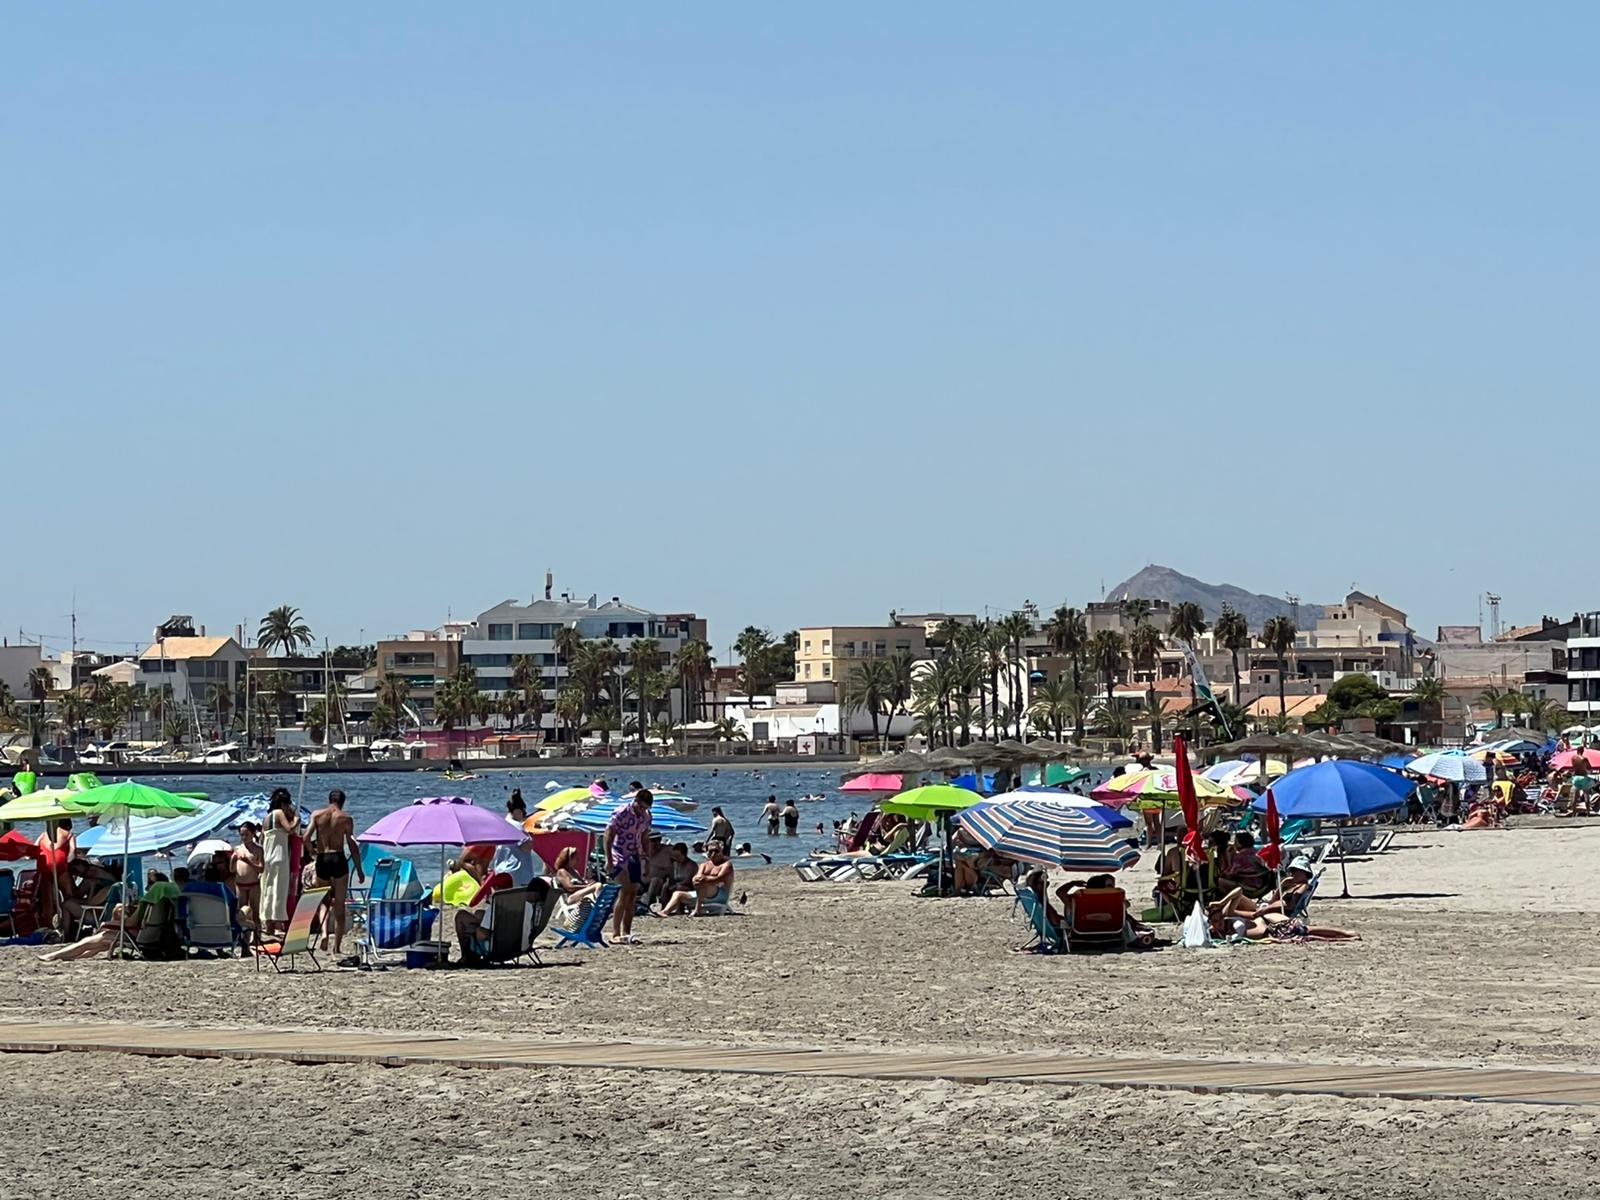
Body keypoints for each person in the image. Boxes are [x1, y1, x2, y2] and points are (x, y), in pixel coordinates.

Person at [304, 788, 365, 954]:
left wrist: (312, 852)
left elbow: (306, 837)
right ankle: (336, 947)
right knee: (339, 905)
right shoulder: (346, 818)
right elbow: (352, 845)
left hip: (323, 859)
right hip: (338, 859)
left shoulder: (317, 815)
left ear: (329, 800)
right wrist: (359, 870)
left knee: (323, 900)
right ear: (343, 802)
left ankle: (324, 934)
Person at [604, 786, 652, 944]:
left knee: (632, 894)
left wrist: (647, 857)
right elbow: (608, 835)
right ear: (636, 802)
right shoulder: (621, 812)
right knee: (623, 891)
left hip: (635, 855)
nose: (643, 810)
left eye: (646, 808)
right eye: (642, 807)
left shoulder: (646, 816)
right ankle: (615, 933)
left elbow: (645, 836)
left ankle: (627, 931)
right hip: (619, 853)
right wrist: (609, 860)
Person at [260, 789, 299, 938]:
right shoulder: (279, 814)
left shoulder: (266, 818)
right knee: (279, 889)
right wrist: (296, 819)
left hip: (267, 856)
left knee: (268, 890)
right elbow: (289, 829)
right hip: (279, 855)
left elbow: (262, 840)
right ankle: (277, 923)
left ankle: (268, 923)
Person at [658, 841, 734, 916]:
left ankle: (698, 909)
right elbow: (696, 878)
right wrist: (701, 879)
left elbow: (718, 879)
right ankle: (664, 912)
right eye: (710, 852)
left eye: (716, 851)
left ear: (722, 851)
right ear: (707, 852)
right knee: (678, 894)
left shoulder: (726, 865)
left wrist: (704, 879)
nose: (713, 854)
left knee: (704, 883)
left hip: (719, 895)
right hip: (701, 893)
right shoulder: (704, 865)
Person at [490, 793, 540, 887]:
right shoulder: (516, 826)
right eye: (523, 812)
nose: (523, 816)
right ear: (517, 810)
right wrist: (532, 835)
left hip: (501, 871)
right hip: (518, 873)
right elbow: (526, 847)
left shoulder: (501, 824)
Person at [35, 818, 76, 932]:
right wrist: (68, 861)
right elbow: (73, 850)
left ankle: (49, 927)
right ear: (68, 826)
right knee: (69, 896)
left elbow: (33, 849)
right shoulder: (69, 834)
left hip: (44, 867)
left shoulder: (43, 835)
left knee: (48, 900)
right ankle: (68, 926)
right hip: (60, 868)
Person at [231, 823, 264, 936]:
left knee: (255, 912)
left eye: (246, 834)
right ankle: (244, 937)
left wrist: (248, 862)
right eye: (242, 835)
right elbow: (232, 870)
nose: (244, 837)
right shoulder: (237, 849)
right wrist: (233, 860)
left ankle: (257, 936)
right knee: (242, 913)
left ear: (253, 833)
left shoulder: (258, 850)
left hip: (254, 884)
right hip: (240, 884)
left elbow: (261, 869)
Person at [641, 833, 674, 906]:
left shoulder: (668, 851)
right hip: (641, 883)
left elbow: (682, 857)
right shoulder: (640, 851)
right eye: (652, 840)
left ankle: (647, 904)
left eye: (658, 840)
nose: (655, 843)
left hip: (659, 885)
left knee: (656, 880)